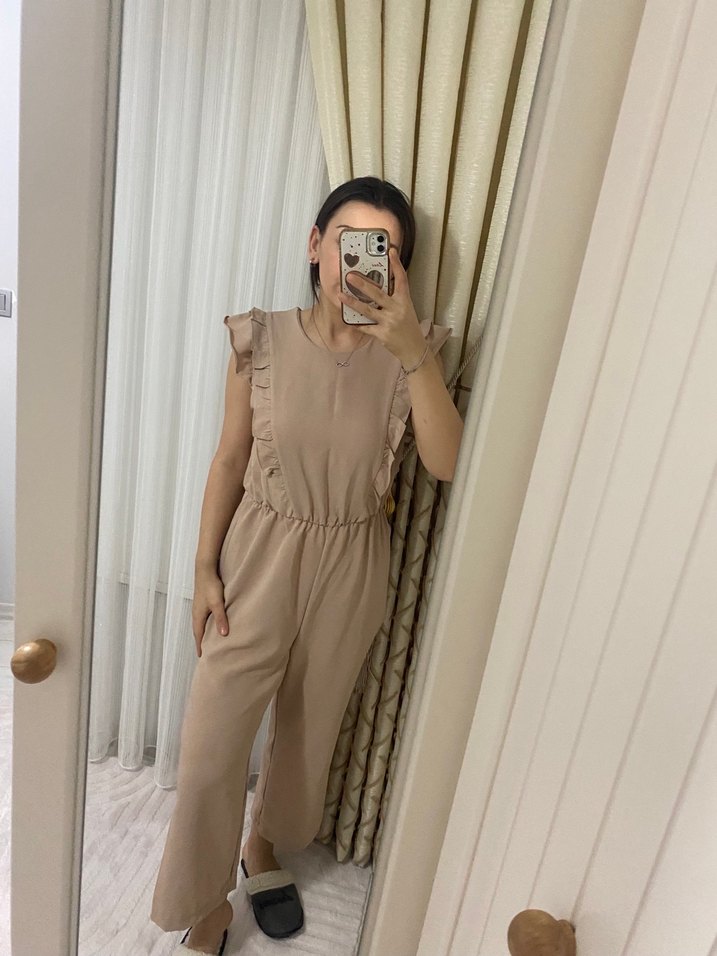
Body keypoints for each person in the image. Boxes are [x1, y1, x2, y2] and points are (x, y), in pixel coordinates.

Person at [149, 176, 463, 954]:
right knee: (210, 747)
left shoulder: (414, 356)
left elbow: (448, 463)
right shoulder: (261, 339)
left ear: (399, 268)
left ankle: (263, 848)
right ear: (316, 244)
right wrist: (203, 569)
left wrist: (409, 350)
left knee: (307, 733)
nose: (359, 262)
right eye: (348, 241)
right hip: (258, 555)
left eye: (383, 250)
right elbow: (229, 459)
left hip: (352, 562)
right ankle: (205, 903)